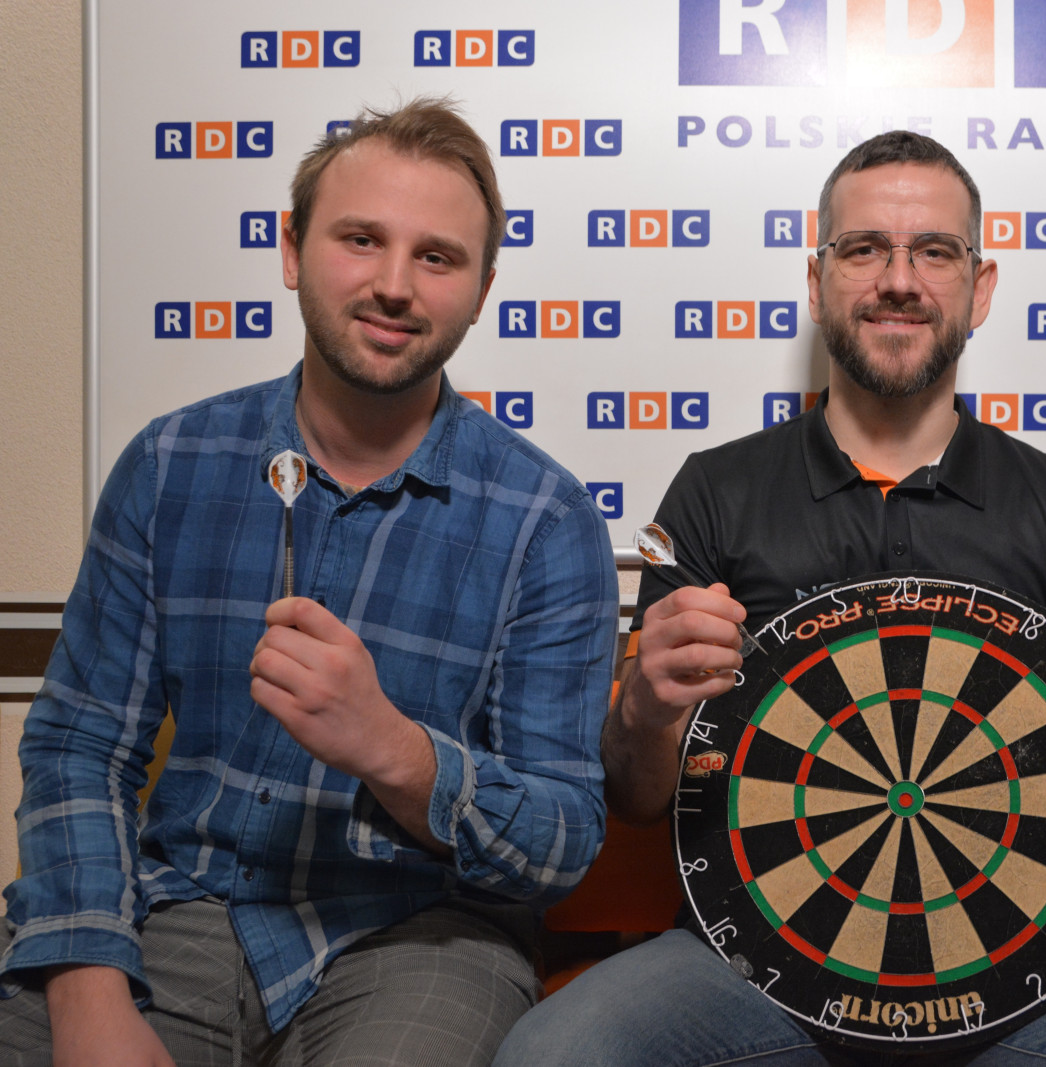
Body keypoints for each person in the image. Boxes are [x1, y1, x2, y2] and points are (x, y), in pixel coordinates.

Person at [494, 132, 1046, 1066]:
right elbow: (641, 799)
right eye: (864, 248)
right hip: (752, 964)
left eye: (935, 252)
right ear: (817, 280)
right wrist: (644, 706)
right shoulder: (717, 491)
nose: (899, 280)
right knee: (551, 1055)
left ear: (980, 288)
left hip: (1020, 979)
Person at [0, 98, 617, 1066]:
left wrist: (398, 751)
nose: (393, 285)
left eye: (437, 257)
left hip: (421, 934)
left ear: (481, 290)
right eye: (360, 239)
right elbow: (80, 747)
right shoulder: (170, 464)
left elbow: (563, 839)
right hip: (182, 906)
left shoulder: (547, 518)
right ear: (292, 250)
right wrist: (87, 990)